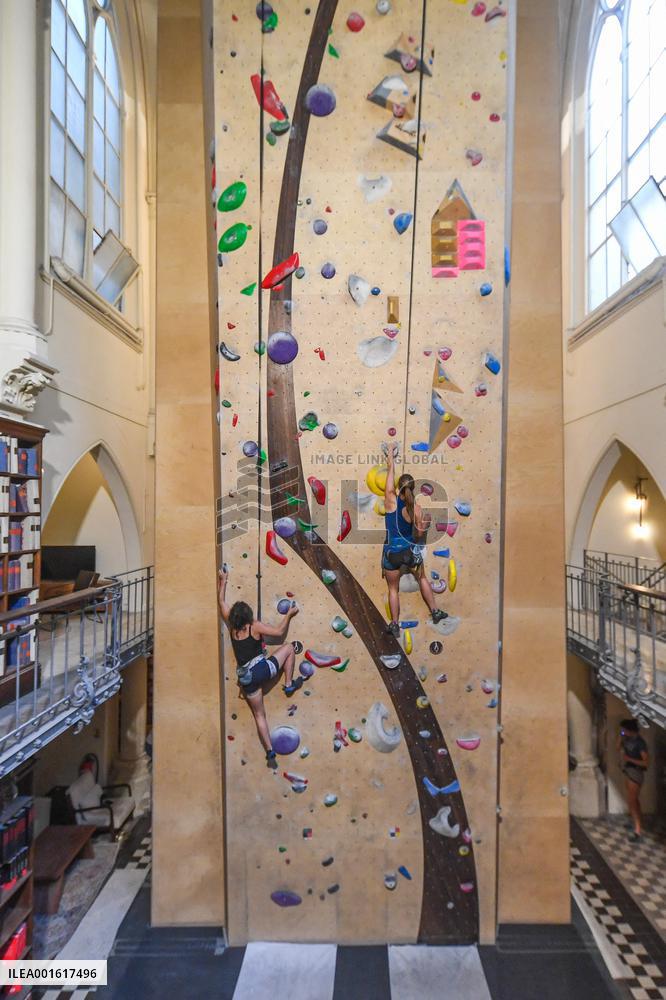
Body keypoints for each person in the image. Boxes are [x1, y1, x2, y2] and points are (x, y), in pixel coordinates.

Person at [218, 566, 302, 765]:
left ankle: (270, 752)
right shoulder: (253, 626)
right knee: (289, 648)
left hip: (247, 679)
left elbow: (221, 601)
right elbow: (279, 632)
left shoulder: (232, 626)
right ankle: (289, 683)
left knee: (259, 715)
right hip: (263, 670)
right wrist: (289, 613)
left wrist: (224, 579)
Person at [381, 443, 448, 638]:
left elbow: (389, 476)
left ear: (398, 488)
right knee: (422, 579)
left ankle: (394, 624)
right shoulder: (416, 508)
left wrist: (391, 456)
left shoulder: (390, 500)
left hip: (392, 553)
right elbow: (419, 536)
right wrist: (425, 523)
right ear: (413, 489)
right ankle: (435, 611)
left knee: (393, 589)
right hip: (410, 552)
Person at [617, 718, 649, 842]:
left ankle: (638, 830)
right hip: (628, 771)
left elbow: (646, 762)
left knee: (632, 801)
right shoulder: (627, 739)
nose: (623, 732)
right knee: (633, 800)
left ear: (631, 730)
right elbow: (617, 747)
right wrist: (621, 736)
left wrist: (629, 759)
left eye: (625, 730)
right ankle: (635, 822)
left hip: (636, 773)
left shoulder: (640, 743)